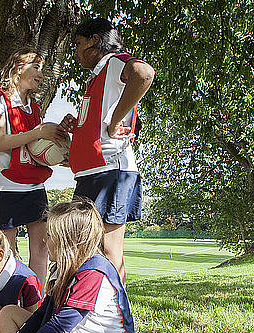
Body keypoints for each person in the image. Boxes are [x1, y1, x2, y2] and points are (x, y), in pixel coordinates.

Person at [0, 199, 136, 333]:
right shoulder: (62, 269)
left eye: (49, 236)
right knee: (9, 313)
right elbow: (40, 317)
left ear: (67, 241)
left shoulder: (94, 272)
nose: (43, 241)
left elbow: (58, 326)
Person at [62, 18, 155, 284]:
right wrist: (76, 128)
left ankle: (117, 319)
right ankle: (95, 310)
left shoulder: (114, 61)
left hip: (110, 170)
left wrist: (116, 120)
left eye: (79, 44)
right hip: (94, 173)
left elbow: (144, 73)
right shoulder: (99, 76)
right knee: (85, 248)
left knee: (108, 249)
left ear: (94, 41)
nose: (77, 51)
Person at [0, 49, 69, 289]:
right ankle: (9, 300)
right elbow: (0, 141)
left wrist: (59, 143)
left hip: (34, 185)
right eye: (36, 67)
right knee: (6, 251)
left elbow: (36, 149)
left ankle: (35, 303)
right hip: (6, 185)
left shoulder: (35, 108)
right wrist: (39, 132)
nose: (41, 74)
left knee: (42, 249)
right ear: (18, 67)